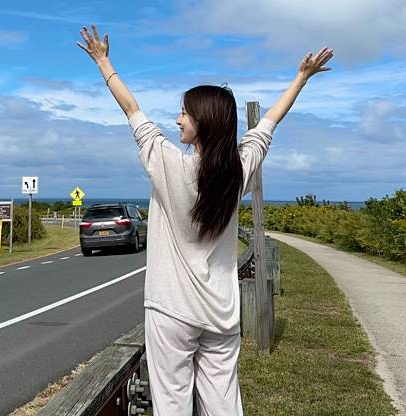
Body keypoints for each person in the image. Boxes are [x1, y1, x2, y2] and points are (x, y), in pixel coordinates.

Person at [78, 24, 333, 415]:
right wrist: (301, 78)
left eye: (184, 112)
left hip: (171, 311)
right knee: (224, 405)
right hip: (221, 313)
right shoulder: (237, 173)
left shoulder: (167, 164)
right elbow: (268, 126)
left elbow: (131, 109)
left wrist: (102, 61)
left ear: (202, 122)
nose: (177, 119)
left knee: (173, 405)